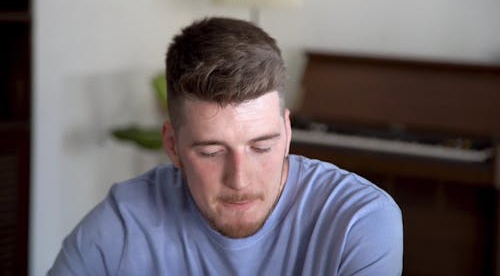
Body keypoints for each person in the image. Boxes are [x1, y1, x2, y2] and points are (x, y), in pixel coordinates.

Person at [48, 17, 403, 276]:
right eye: (211, 152)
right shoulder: (125, 222)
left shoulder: (360, 219)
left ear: (287, 131)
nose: (240, 179)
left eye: (262, 146)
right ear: (172, 145)